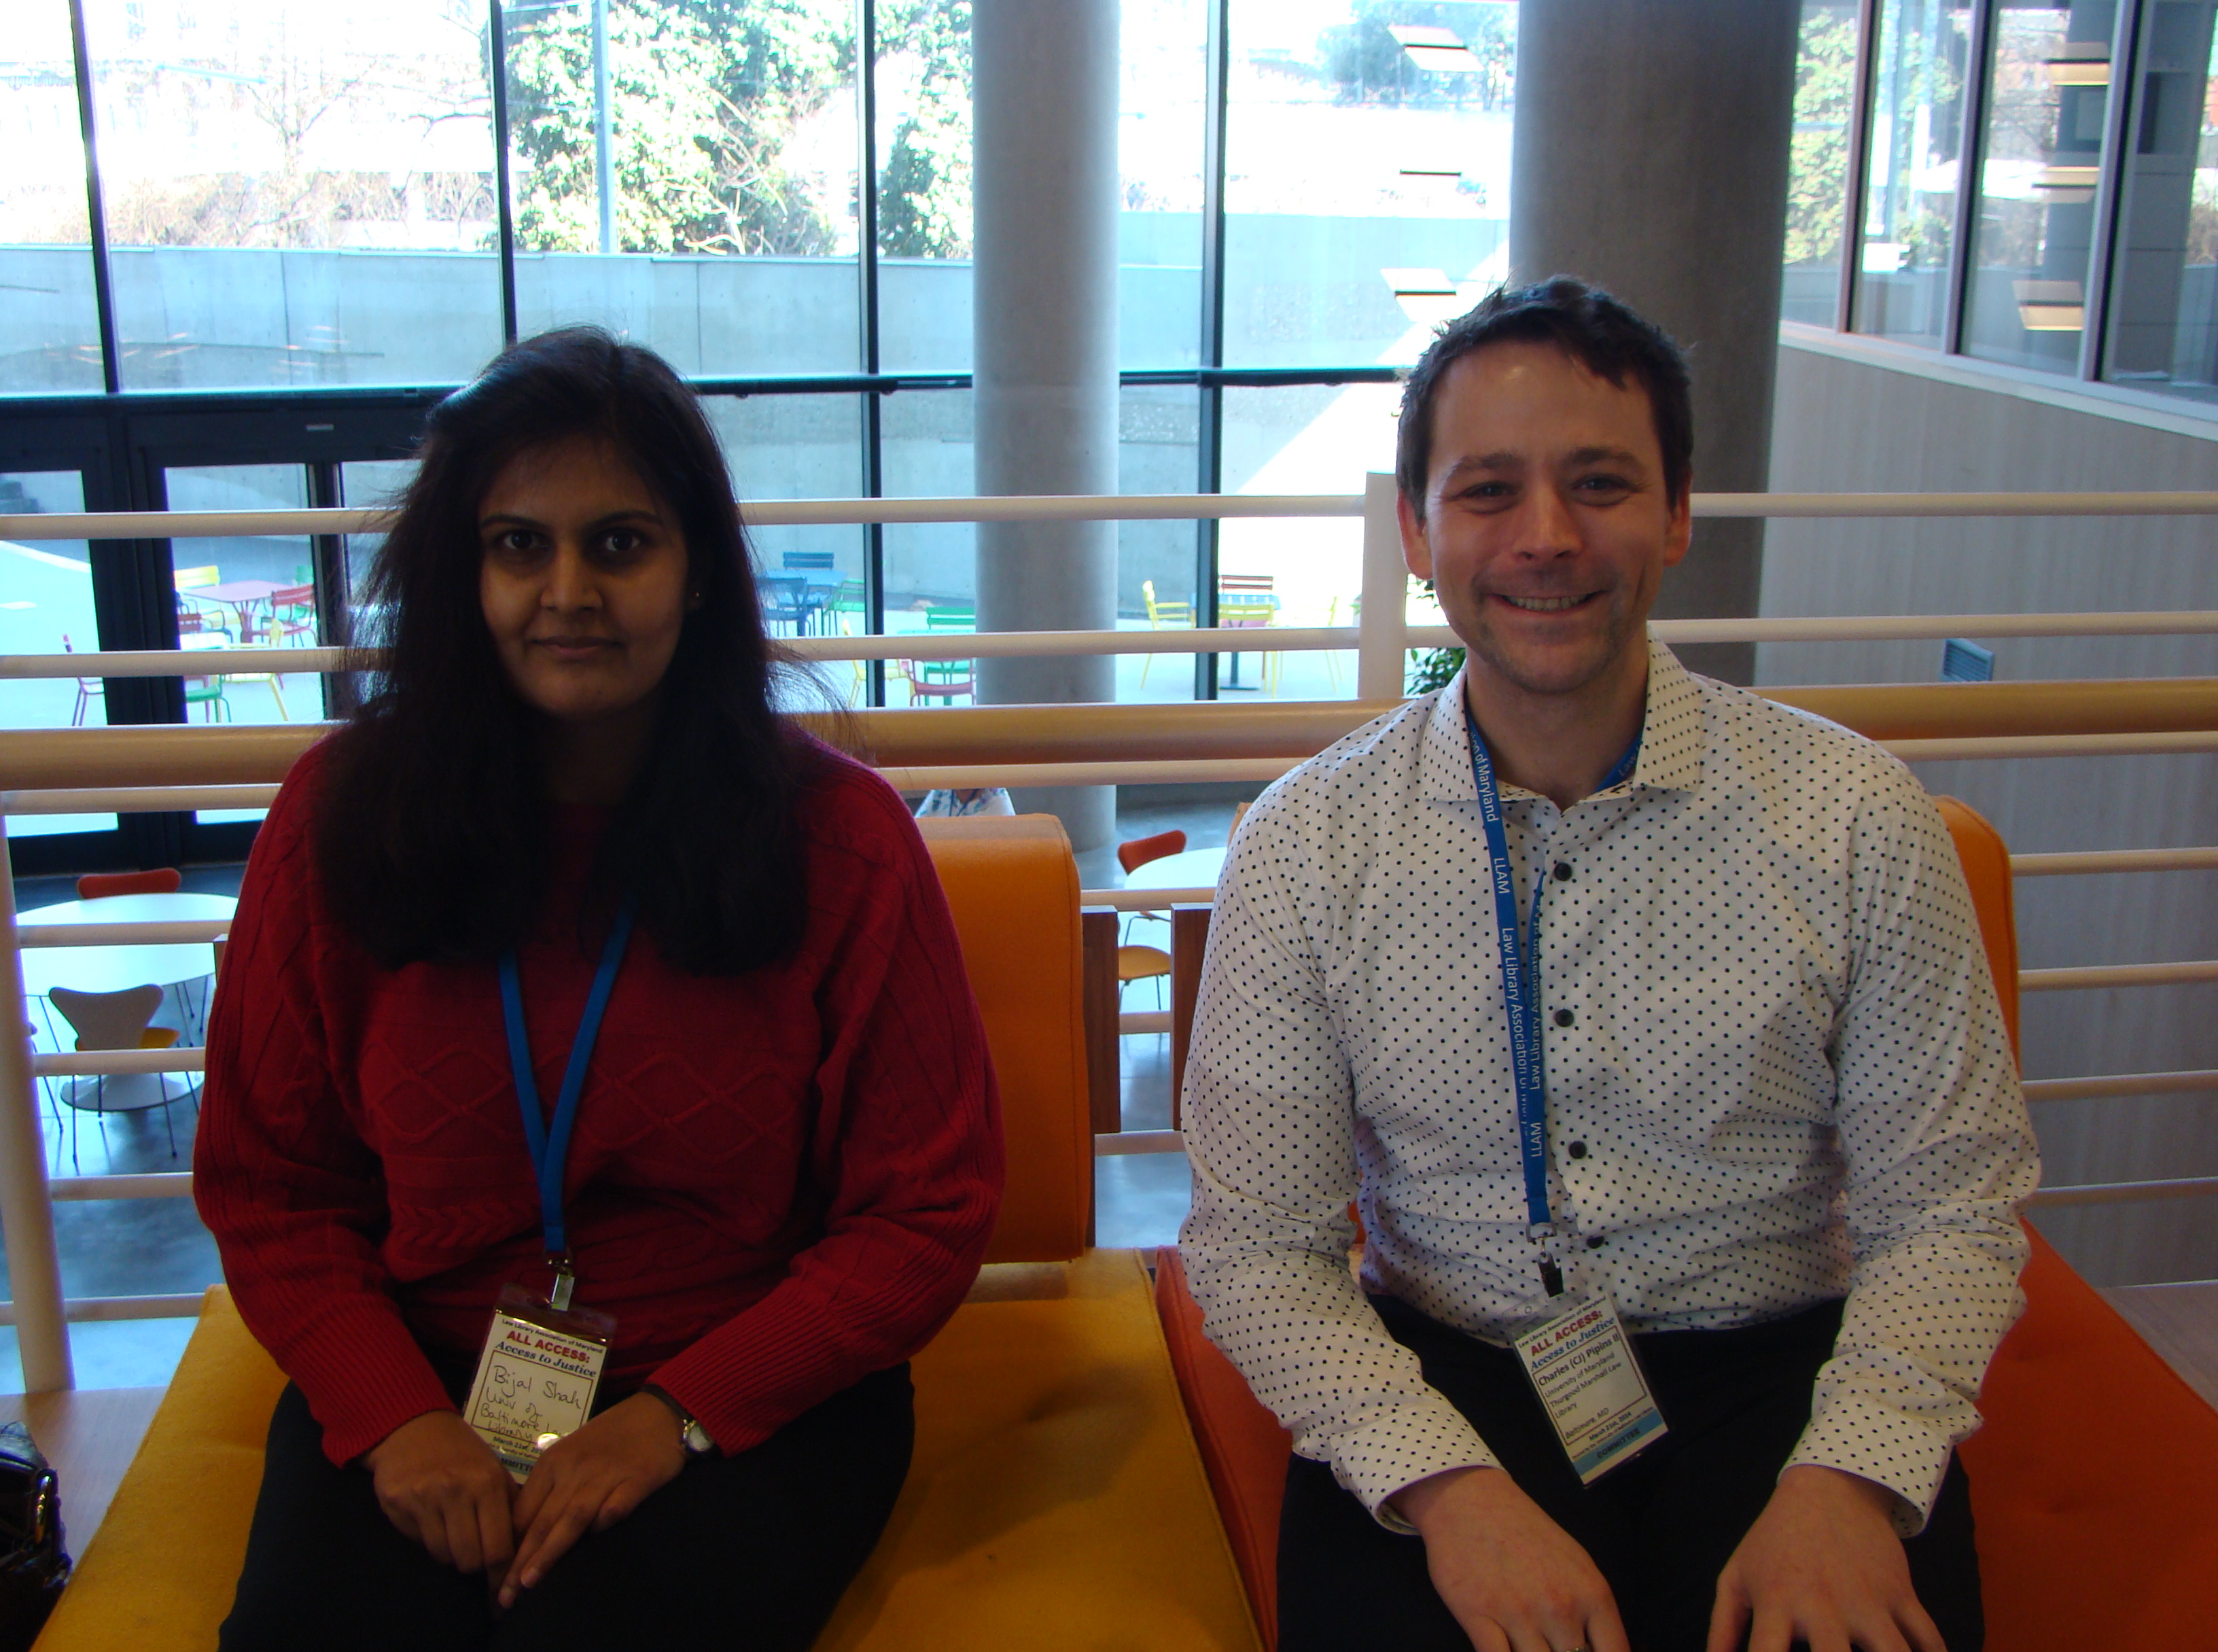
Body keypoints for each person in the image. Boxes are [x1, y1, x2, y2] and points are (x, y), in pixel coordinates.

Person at [1178, 279, 2039, 1652]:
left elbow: (1949, 1207)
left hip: (1781, 1382)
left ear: (1678, 513)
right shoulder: (1308, 843)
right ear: (1417, 532)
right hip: (1448, 1382)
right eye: (1488, 491)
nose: (1547, 537)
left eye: (1601, 483)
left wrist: (1850, 1477)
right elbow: (1258, 1247)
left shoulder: (1855, 817)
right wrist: (1448, 1493)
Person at [194, 328, 1003, 1651]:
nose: (567, 591)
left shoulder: (840, 840)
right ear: (463, 572)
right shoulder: (339, 821)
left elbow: (926, 1214)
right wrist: (397, 1418)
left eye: (620, 544)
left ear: (698, 572)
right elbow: (270, 1188)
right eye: (520, 545)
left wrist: (671, 1419)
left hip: (749, 1389)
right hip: (422, 1367)